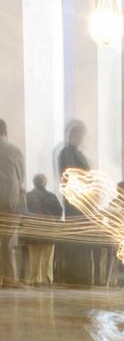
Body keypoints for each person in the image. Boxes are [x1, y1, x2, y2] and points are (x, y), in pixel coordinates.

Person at [57, 120, 93, 286]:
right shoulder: (67, 153)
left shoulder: (78, 154)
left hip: (82, 202)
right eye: (78, 134)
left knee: (81, 239)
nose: (81, 138)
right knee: (77, 238)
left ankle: (80, 274)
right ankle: (75, 274)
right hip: (75, 202)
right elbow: (71, 175)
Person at [0, 119, 25, 288]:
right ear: (5, 131)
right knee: (7, 243)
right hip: (9, 201)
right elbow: (21, 177)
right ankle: (9, 278)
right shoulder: (15, 151)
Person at [26, 174, 62, 285]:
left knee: (34, 255)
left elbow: (23, 211)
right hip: (49, 228)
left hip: (33, 228)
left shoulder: (28, 196)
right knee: (48, 255)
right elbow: (59, 212)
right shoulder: (51, 196)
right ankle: (47, 279)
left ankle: (34, 279)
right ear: (45, 182)